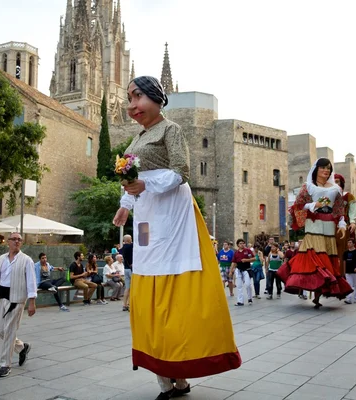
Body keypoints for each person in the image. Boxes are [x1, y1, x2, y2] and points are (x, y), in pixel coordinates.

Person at [112, 76, 241, 400]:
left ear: (156, 98)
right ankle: (167, 381)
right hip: (146, 216)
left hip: (171, 213)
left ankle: (179, 375)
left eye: (137, 96)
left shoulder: (171, 129)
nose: (132, 105)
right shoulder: (135, 140)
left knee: (172, 289)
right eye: (129, 98)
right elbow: (130, 180)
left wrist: (146, 186)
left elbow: (181, 171)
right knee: (147, 284)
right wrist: (125, 206)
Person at [278, 158, 353, 309]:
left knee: (328, 261)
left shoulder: (336, 189)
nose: (326, 171)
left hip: (329, 228)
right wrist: (314, 204)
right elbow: (297, 205)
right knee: (315, 259)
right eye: (323, 168)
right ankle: (312, 291)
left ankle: (318, 295)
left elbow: (339, 210)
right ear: (316, 169)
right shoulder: (308, 187)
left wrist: (342, 224)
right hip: (313, 226)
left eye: (329, 168)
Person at [0, 232, 37, 378]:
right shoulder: (1, 259)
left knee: (10, 331)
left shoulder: (26, 260)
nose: (17, 242)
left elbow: (31, 281)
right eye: (14, 239)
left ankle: (5, 365)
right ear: (8, 242)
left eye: (19, 240)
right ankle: (22, 347)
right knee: (0, 330)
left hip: (17, 299)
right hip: (1, 298)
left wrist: (32, 302)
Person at [334, 174, 356, 266]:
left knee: (344, 249)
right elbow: (321, 206)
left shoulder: (348, 196)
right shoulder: (327, 196)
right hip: (330, 224)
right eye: (333, 182)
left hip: (345, 225)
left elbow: (352, 211)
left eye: (337, 181)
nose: (335, 184)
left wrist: (352, 222)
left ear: (341, 183)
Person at [230, 239, 255, 306]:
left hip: (246, 269)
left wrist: (246, 260)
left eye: (243, 243)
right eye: (241, 243)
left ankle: (250, 298)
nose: (242, 244)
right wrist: (231, 271)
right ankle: (240, 301)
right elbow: (234, 262)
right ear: (238, 245)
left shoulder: (248, 251)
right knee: (239, 286)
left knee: (248, 284)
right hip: (238, 269)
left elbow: (254, 258)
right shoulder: (236, 253)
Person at [342, 239, 356, 304]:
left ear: (354, 244)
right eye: (348, 242)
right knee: (349, 285)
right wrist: (344, 272)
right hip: (348, 272)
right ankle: (349, 299)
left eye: (350, 242)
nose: (349, 244)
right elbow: (344, 262)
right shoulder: (345, 253)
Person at [119, 234, 133, 311]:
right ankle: (130, 305)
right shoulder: (131, 246)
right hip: (131, 269)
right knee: (133, 287)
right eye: (131, 238)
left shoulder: (123, 248)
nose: (132, 239)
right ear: (128, 240)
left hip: (126, 269)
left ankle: (124, 304)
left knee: (127, 288)